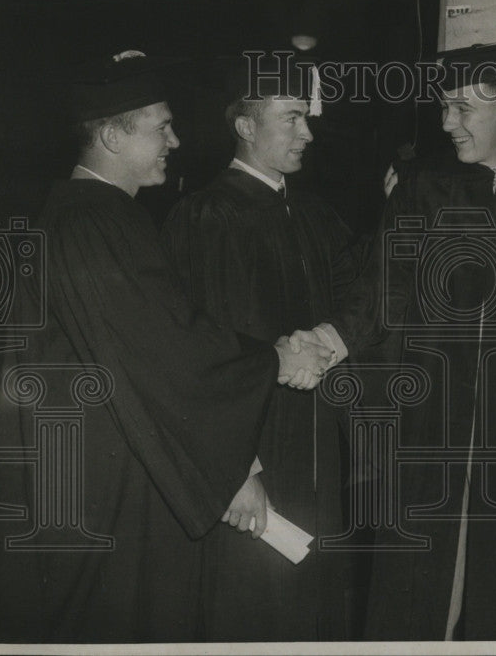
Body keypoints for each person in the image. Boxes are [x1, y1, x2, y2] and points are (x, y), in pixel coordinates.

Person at [0, 51, 326, 643]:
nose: (176, 139)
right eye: (161, 126)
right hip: (113, 480)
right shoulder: (99, 224)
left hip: (86, 467)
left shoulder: (76, 216)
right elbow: (169, 350)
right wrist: (274, 359)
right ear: (114, 136)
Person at [293, 39, 496, 640]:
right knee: (416, 587)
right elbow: (384, 284)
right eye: (443, 106)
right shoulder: (424, 186)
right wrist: (330, 340)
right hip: (431, 426)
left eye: (464, 109)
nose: (447, 122)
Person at [162, 51, 359, 640]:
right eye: (292, 117)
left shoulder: (315, 212)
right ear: (246, 127)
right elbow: (196, 359)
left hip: (320, 450)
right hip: (255, 459)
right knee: (253, 609)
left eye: (308, 116)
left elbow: (358, 298)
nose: (308, 132)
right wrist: (237, 470)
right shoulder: (203, 218)